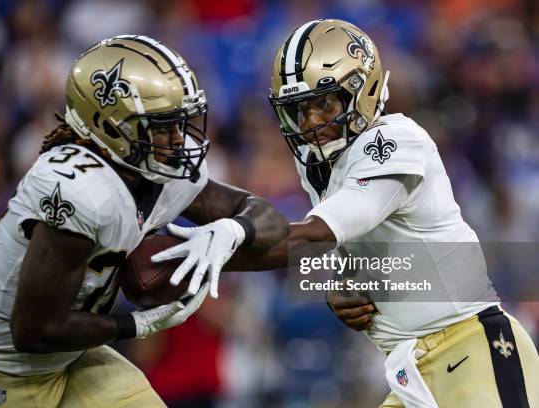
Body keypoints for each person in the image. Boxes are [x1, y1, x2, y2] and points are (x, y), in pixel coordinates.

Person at [0, 35, 288, 408]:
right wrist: (137, 324)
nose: (179, 140)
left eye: (182, 121)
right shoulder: (79, 191)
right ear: (111, 126)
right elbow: (34, 332)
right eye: (163, 125)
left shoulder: (161, 172)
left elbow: (265, 221)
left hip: (73, 358)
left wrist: (235, 230)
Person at [213, 19, 538, 407]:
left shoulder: (396, 138)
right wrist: (338, 284)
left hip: (470, 349)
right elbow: (355, 256)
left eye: (323, 103)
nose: (311, 122)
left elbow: (321, 231)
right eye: (299, 109)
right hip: (410, 371)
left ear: (361, 92)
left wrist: (224, 242)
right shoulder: (320, 165)